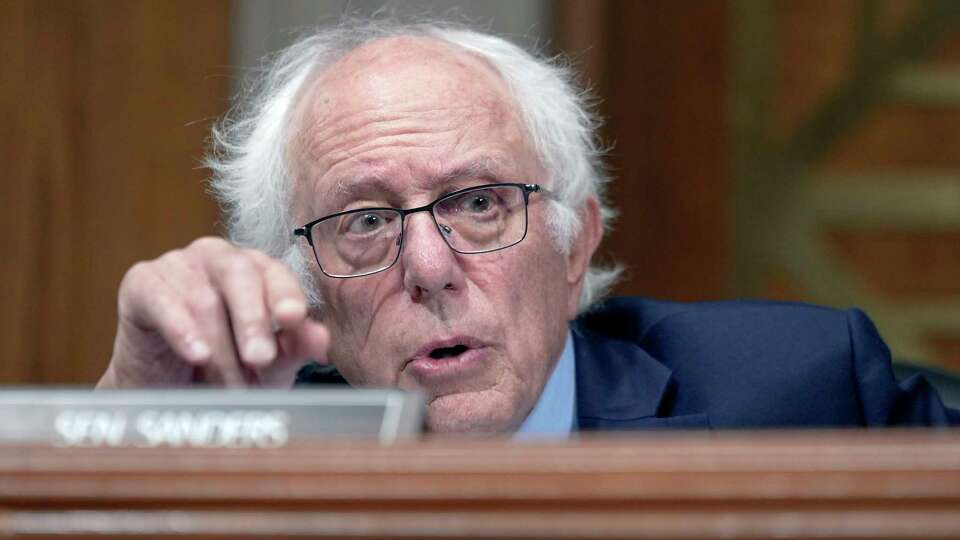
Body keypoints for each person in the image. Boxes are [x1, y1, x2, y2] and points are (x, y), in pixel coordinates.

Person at [97, 19, 959, 433]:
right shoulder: (250, 441)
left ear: (575, 242)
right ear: (305, 285)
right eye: (365, 219)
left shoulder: (803, 388)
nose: (429, 266)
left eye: (479, 204)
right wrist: (136, 418)